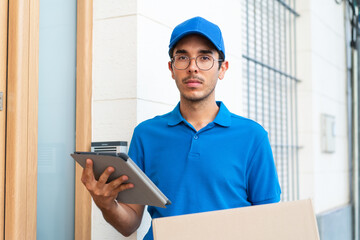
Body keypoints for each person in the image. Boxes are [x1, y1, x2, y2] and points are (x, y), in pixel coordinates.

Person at [81, 16, 281, 240]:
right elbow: (129, 225)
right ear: (171, 68)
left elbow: (268, 221)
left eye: (204, 58)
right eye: (183, 57)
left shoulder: (252, 136)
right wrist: (106, 204)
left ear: (222, 68)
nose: (193, 67)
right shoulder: (146, 134)